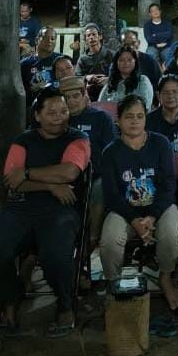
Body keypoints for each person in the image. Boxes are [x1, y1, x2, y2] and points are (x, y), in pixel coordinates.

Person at [0, 87, 91, 334]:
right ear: (37, 115)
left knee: (55, 255)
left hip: (62, 209)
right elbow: (11, 180)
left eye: (63, 111)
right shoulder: (23, 141)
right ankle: (11, 296)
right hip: (21, 208)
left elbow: (69, 172)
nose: (59, 117)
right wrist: (50, 185)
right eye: (51, 112)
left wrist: (27, 173)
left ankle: (65, 304)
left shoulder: (78, 139)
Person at [100, 94, 178, 312]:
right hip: (124, 211)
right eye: (129, 117)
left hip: (159, 208)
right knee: (109, 240)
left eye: (140, 116)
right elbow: (112, 196)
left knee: (172, 233)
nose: (135, 121)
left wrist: (152, 216)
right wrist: (134, 220)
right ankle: (113, 284)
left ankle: (165, 277)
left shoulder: (160, 144)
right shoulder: (110, 153)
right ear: (118, 120)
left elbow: (168, 186)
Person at [59, 75, 117, 248]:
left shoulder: (101, 118)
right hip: (64, 175)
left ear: (85, 95)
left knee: (100, 186)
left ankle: (92, 238)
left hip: (95, 174)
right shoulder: (57, 120)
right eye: (66, 98)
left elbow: (111, 153)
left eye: (75, 96)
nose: (71, 101)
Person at [20, 26, 61, 108]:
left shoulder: (61, 61)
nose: (49, 41)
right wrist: (32, 89)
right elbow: (20, 91)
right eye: (45, 38)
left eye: (52, 39)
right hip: (33, 106)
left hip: (58, 105)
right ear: (36, 40)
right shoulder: (24, 64)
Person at [75, 23, 115, 102]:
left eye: (94, 34)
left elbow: (121, 74)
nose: (91, 37)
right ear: (85, 40)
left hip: (110, 94)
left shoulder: (111, 54)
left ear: (100, 36)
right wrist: (87, 77)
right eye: (88, 35)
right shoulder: (83, 59)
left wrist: (109, 79)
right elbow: (77, 77)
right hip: (90, 96)